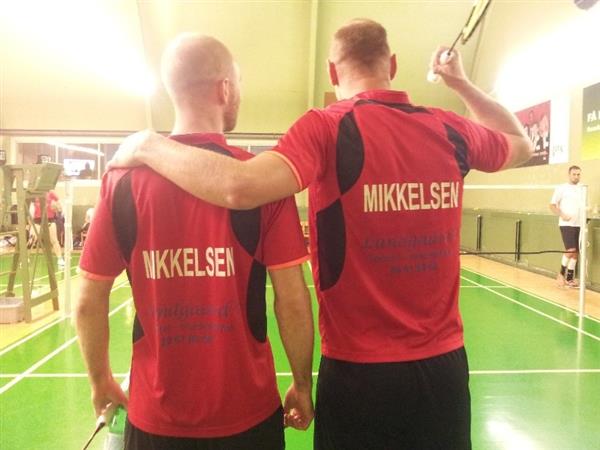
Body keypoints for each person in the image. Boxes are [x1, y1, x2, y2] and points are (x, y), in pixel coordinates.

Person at [110, 19, 533, 449]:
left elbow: (239, 187)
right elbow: (520, 143)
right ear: (392, 64)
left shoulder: (325, 128)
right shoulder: (450, 128)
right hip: (443, 370)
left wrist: (147, 144)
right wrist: (460, 83)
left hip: (357, 374)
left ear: (331, 71)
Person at [75, 34, 314, 450]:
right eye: (238, 85)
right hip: (248, 416)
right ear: (225, 90)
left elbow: (88, 300)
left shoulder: (122, 181)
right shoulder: (263, 182)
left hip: (155, 421)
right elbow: (291, 300)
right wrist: (301, 384)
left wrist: (100, 381)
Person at [550, 165, 582, 288]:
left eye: (578, 174)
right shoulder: (561, 188)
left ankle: (569, 279)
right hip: (566, 224)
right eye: (574, 174)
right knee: (571, 250)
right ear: (569, 175)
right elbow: (552, 205)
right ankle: (561, 274)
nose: (576, 176)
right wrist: (562, 215)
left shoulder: (582, 188)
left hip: (579, 224)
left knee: (576, 252)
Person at [31, 189, 64, 268]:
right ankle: (25, 259)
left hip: (49, 220)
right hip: (37, 220)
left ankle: (60, 259)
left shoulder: (51, 193)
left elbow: (60, 207)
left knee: (54, 240)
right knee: (32, 240)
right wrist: (30, 222)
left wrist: (56, 207)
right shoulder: (34, 193)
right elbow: (31, 208)